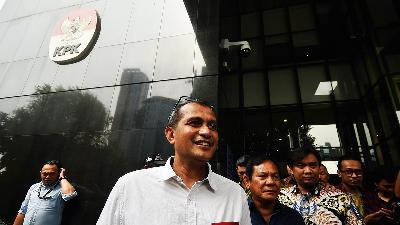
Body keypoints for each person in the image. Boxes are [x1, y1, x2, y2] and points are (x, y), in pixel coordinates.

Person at [96, 96, 251, 225]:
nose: (206, 131)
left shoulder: (234, 194)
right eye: (195, 123)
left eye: (212, 126)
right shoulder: (130, 187)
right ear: (171, 135)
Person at [278, 146, 363, 225]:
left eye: (313, 165)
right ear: (291, 169)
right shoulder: (279, 197)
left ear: (319, 168)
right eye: (301, 166)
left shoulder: (341, 199)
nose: (308, 171)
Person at [243, 154, 305, 225]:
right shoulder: (236, 215)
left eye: (275, 177)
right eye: (262, 176)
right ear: (247, 181)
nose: (270, 182)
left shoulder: (293, 217)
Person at [13, 160, 77, 225]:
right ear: (40, 173)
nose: (47, 177)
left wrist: (62, 177)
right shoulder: (34, 187)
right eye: (45, 173)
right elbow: (23, 211)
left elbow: (70, 195)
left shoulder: (62, 188)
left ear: (58, 173)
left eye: (52, 174)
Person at [336, 155, 397, 224]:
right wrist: (364, 222)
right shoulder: (332, 196)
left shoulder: (370, 195)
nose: (354, 176)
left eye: (358, 172)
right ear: (339, 173)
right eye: (349, 172)